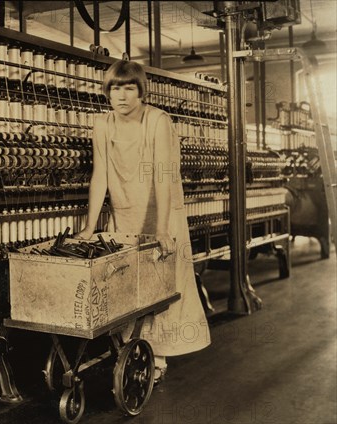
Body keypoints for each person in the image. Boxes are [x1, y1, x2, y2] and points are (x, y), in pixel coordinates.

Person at [75, 60, 210, 382]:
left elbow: (164, 177)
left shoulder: (157, 121)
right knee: (125, 283)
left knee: (161, 284)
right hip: (125, 215)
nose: (121, 96)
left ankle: (158, 357)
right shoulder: (102, 123)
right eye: (115, 88)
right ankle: (130, 348)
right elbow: (101, 175)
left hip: (162, 214)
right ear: (107, 93)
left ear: (141, 91)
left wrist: (161, 228)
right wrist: (90, 226)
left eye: (129, 88)